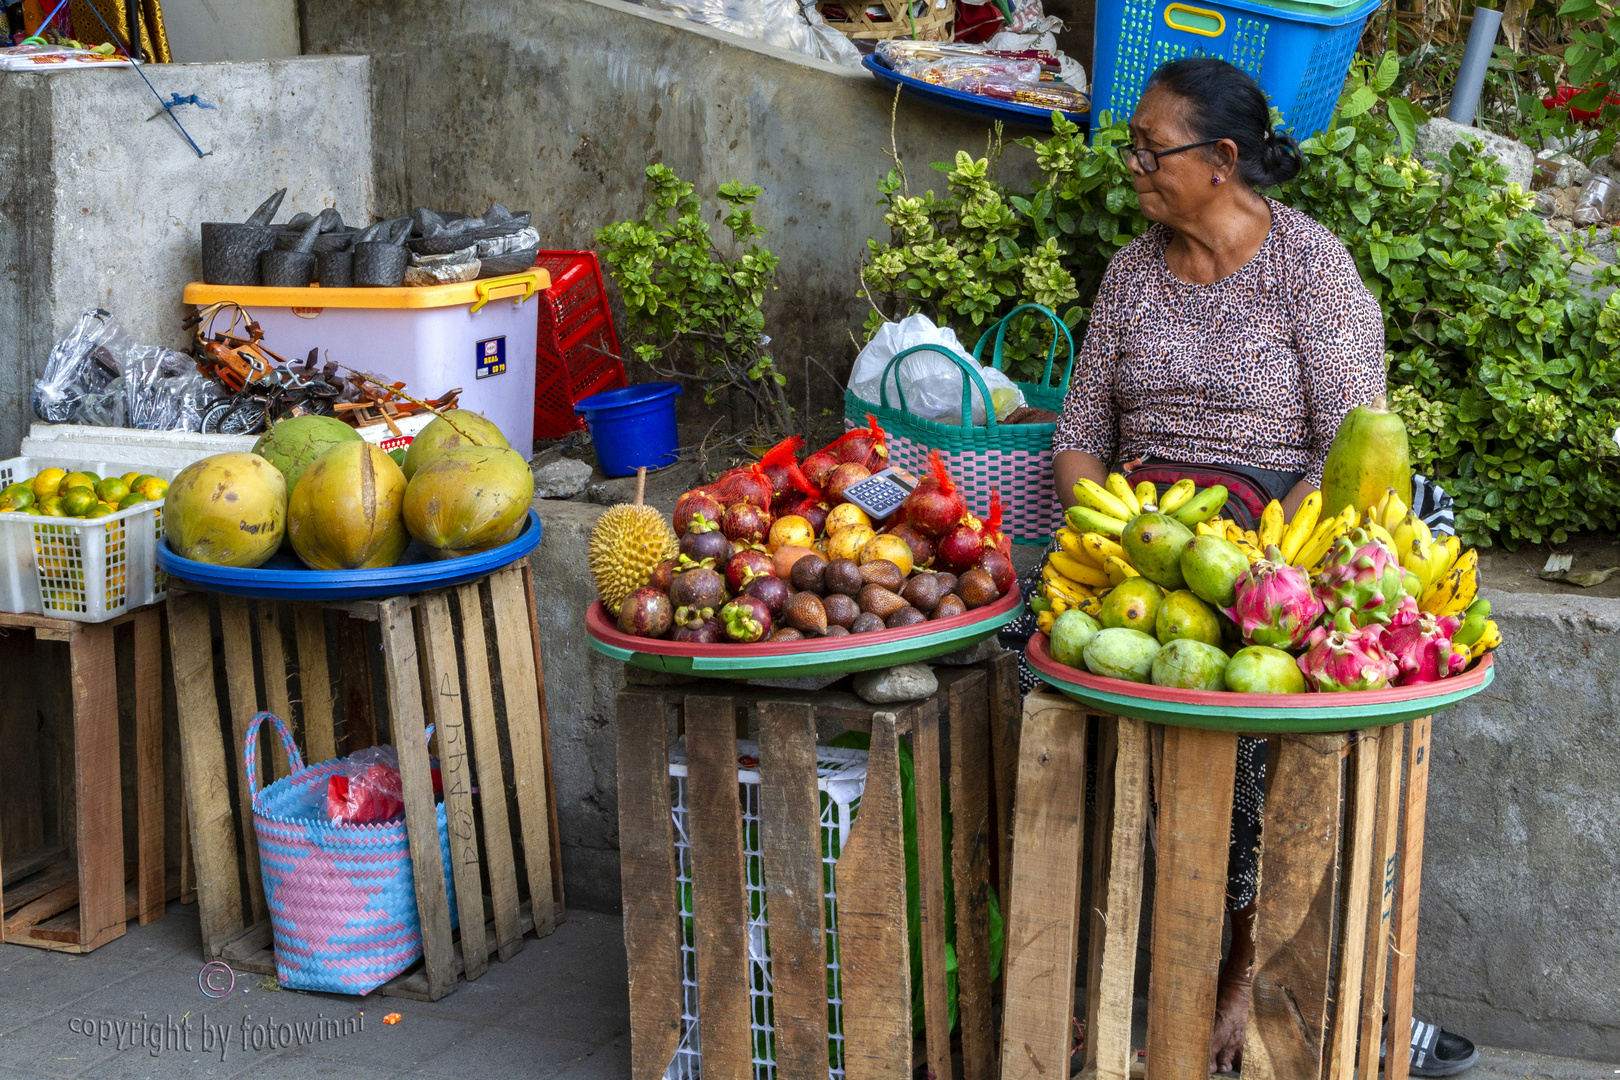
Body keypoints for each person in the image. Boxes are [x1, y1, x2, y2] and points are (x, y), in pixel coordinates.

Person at [1044, 57, 1479, 1077]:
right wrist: (1106, 524)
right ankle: (1089, 977)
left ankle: (1244, 975)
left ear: (1222, 160)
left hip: (1280, 522)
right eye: (1135, 147)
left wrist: (1248, 553)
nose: (1136, 166)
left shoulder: (1311, 270)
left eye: (1153, 150)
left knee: (1246, 717)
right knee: (1050, 688)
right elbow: (1075, 434)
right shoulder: (1129, 273)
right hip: (1145, 527)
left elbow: (1351, 444)